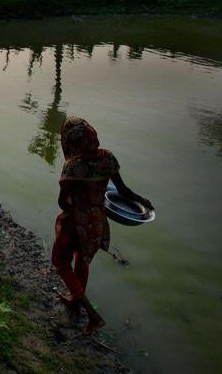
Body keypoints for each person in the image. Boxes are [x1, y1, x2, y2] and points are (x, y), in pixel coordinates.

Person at [51, 116, 152, 334]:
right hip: (97, 221)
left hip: (75, 221)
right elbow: (123, 192)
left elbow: (62, 201)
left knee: (60, 262)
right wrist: (143, 201)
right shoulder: (108, 158)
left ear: (70, 141)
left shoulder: (73, 166)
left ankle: (92, 315)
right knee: (83, 261)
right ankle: (75, 300)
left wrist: (73, 209)